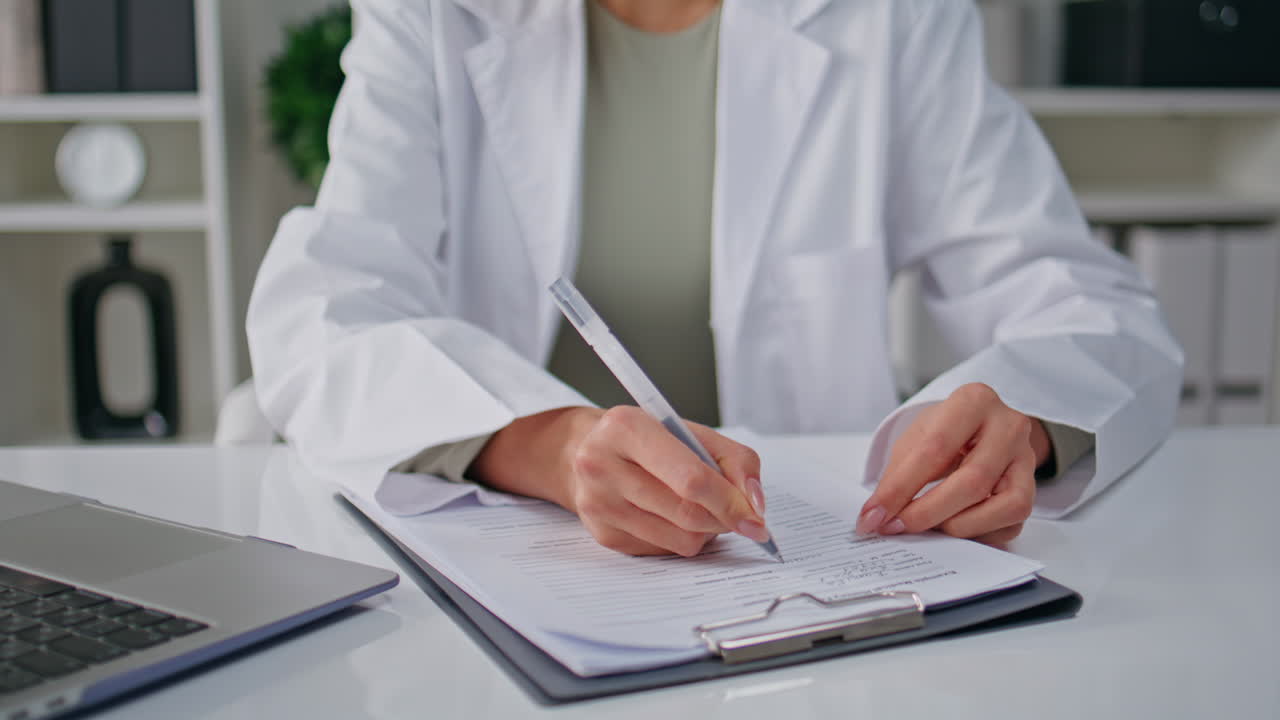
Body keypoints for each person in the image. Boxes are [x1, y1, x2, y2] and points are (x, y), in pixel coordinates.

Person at [247, 0, 1182, 557]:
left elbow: (1089, 308)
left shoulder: (894, 16)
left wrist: (1021, 419)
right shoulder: (435, 13)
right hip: (524, 563)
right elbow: (323, 314)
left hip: (814, 582)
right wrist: (548, 447)